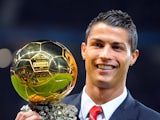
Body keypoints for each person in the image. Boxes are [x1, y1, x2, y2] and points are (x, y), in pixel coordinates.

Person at [15, 10, 160, 120]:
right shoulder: (44, 115)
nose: (105, 55)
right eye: (98, 44)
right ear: (84, 50)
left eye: (117, 47)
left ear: (133, 57)